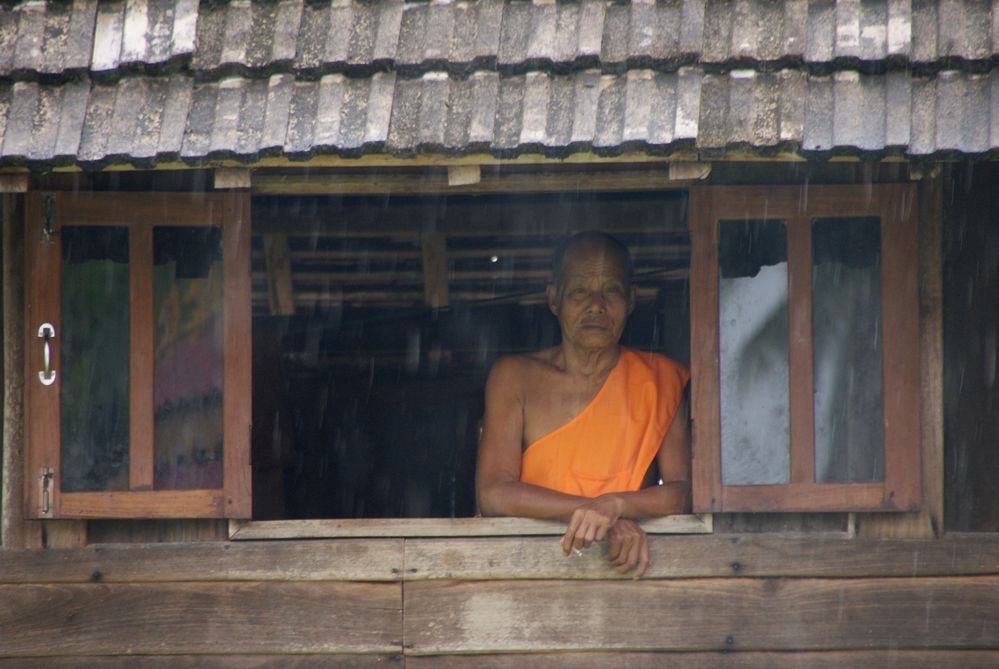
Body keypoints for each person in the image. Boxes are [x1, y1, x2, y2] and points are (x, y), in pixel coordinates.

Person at [476, 231, 691, 579]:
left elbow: (684, 493)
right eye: (579, 291)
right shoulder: (514, 377)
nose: (596, 304)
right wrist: (601, 515)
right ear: (554, 299)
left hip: (629, 575)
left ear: (631, 300)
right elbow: (493, 494)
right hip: (525, 570)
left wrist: (616, 506)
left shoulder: (660, 380)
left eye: (611, 290)